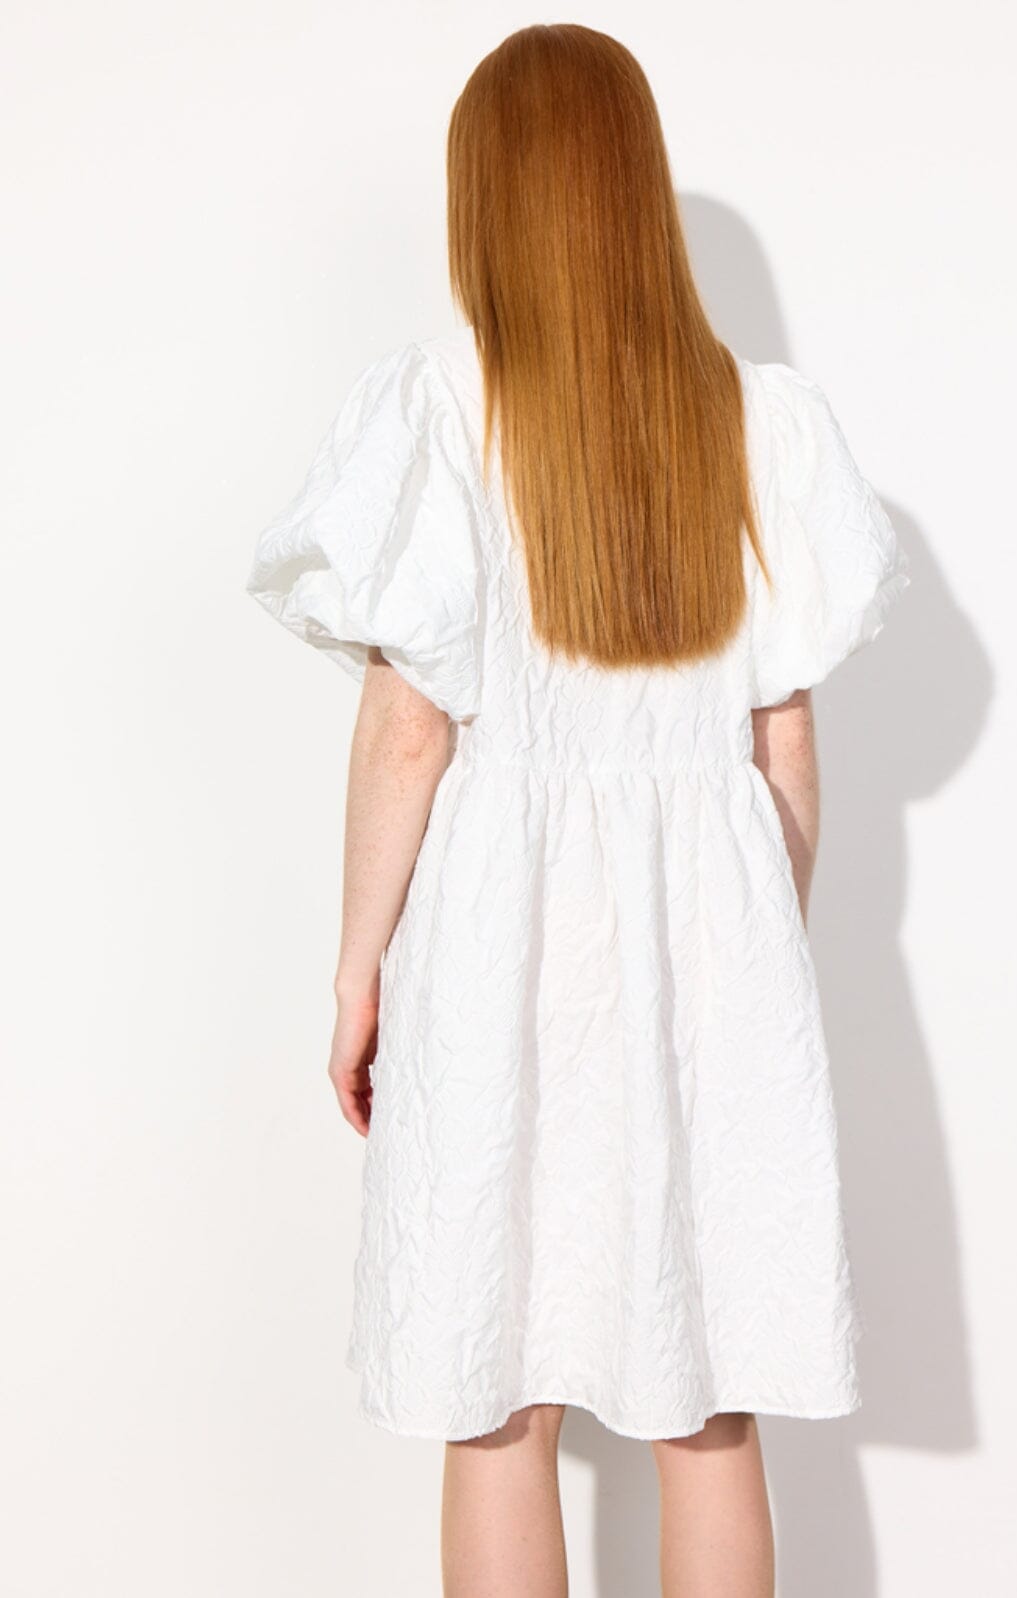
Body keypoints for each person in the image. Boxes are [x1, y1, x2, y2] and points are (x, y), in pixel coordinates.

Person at [245, 22, 910, 1598]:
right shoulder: (756, 422)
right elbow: (783, 742)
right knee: (707, 1399)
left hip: (498, 932)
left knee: (496, 1394)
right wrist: (748, 953)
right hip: (712, 940)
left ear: (485, 199)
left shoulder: (439, 411)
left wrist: (356, 970)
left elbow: (408, 731)